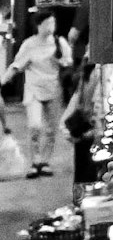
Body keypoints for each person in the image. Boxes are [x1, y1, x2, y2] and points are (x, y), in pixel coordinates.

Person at [6, 11, 67, 175]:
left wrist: (59, 61)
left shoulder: (59, 42)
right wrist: (4, 79)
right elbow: (17, 64)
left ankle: (45, 162)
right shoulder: (29, 44)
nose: (51, 26)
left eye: (53, 23)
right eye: (48, 23)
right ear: (39, 25)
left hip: (54, 90)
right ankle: (35, 161)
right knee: (35, 126)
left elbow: (68, 63)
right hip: (33, 90)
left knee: (51, 130)